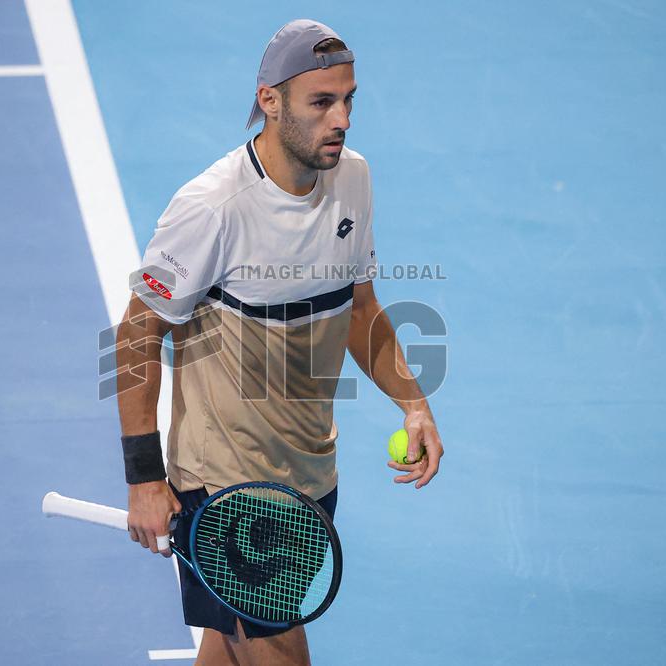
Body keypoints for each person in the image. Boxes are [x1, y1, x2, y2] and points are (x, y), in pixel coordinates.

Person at [114, 19, 444, 666]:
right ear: (270, 101)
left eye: (349, 100)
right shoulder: (213, 208)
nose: (341, 118)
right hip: (227, 488)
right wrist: (144, 479)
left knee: (227, 646)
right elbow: (136, 335)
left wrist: (414, 402)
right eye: (322, 102)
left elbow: (359, 309)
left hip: (309, 472)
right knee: (277, 649)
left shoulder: (353, 179)